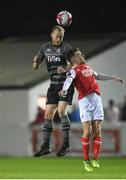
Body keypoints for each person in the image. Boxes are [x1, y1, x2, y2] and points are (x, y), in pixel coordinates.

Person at [59, 48, 123, 172]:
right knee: (87, 132)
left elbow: (97, 75)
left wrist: (112, 77)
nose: (82, 54)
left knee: (97, 131)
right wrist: (65, 89)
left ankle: (96, 159)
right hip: (85, 101)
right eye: (79, 54)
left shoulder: (87, 66)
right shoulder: (73, 70)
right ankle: (86, 160)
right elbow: (68, 80)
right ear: (73, 58)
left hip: (97, 99)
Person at [32, 25, 74, 157]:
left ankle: (66, 145)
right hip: (53, 85)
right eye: (57, 36)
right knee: (48, 114)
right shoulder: (45, 47)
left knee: (61, 111)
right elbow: (35, 67)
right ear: (51, 34)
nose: (59, 38)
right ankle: (46, 146)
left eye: (61, 36)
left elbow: (73, 63)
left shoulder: (66, 47)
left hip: (65, 84)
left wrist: (65, 69)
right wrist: (36, 62)